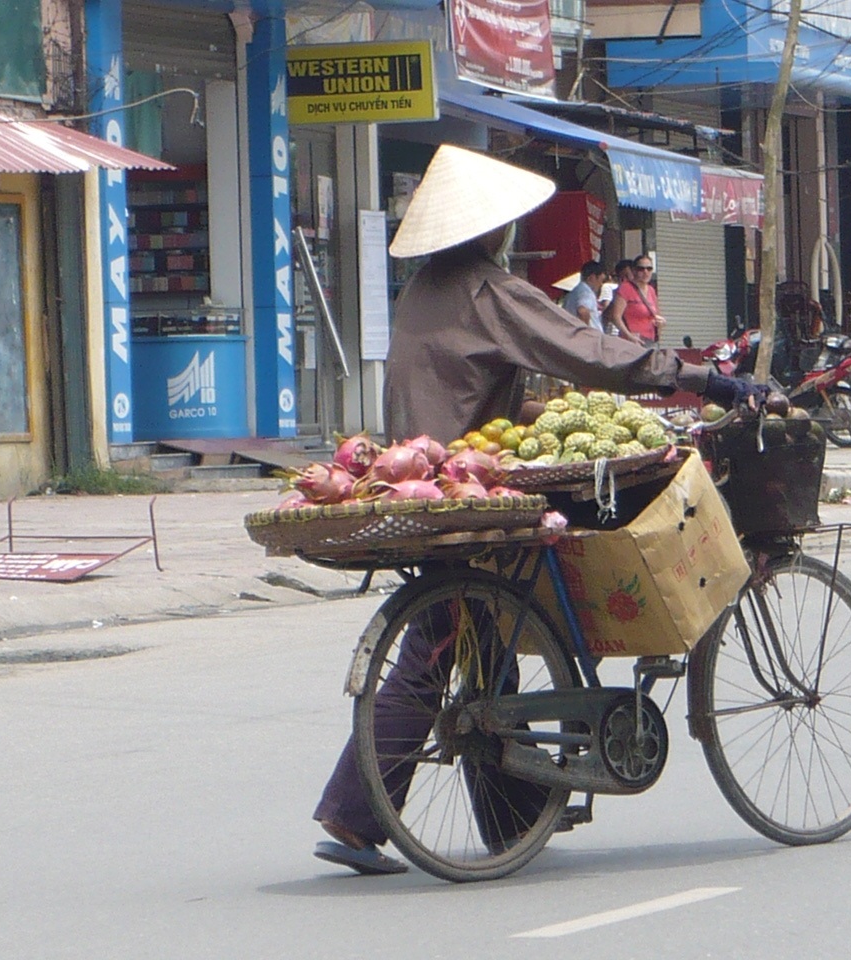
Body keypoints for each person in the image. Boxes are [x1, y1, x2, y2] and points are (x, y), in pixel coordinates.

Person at [311, 143, 761, 875]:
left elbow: (470, 384)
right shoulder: (488, 292)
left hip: (436, 472)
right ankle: (354, 814)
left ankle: (513, 822)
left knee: (484, 646)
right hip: (460, 486)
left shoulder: (427, 287)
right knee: (438, 647)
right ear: (491, 229)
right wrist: (698, 379)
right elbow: (587, 350)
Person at [604, 255, 666, 345]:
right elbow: (615, 317)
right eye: (641, 269)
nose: (645, 272)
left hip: (649, 341)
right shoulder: (626, 288)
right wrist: (629, 336)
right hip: (632, 342)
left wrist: (660, 322)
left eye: (649, 269)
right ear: (634, 271)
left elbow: (656, 315)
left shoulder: (651, 290)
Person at [561, 260, 606, 330]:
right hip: (589, 338)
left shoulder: (573, 293)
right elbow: (582, 311)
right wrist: (586, 333)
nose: (601, 284)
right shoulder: (586, 293)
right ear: (592, 277)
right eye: (601, 280)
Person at [598, 260, 632, 335]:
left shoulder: (646, 292)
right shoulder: (617, 293)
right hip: (618, 336)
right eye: (620, 278)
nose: (624, 281)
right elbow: (607, 316)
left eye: (627, 276)